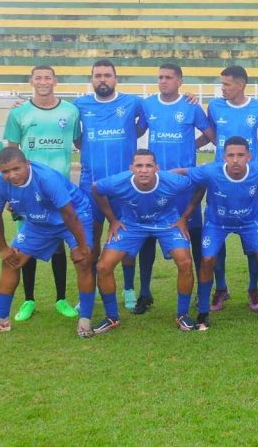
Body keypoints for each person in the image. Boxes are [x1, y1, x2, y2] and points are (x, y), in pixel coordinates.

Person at [0, 148, 95, 337]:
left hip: (74, 215)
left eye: (16, 169)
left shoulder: (46, 178)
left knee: (83, 261)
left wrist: (82, 247)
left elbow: (69, 215)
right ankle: (0, 320)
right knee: (10, 261)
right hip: (39, 221)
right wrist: (3, 248)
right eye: (5, 171)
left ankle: (85, 320)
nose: (11, 175)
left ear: (27, 163)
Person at [91, 150, 203, 333]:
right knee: (103, 266)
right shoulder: (120, 181)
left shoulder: (172, 181)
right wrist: (112, 220)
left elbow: (200, 185)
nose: (144, 170)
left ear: (156, 168)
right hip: (132, 225)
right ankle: (112, 317)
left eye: (149, 165)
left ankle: (182, 315)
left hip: (167, 223)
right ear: (131, 169)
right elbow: (96, 188)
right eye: (139, 166)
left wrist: (185, 217)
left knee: (185, 261)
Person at [3, 65, 81, 322]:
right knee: (27, 246)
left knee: (59, 245)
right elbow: (10, 154)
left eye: (48, 77)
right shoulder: (19, 113)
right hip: (26, 192)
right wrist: (9, 191)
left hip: (58, 191)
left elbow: (79, 142)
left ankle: (61, 299)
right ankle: (29, 300)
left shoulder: (71, 111)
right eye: (38, 78)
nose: (43, 82)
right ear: (31, 81)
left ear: (55, 81)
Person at [183, 136, 258, 329]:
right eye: (231, 155)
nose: (235, 159)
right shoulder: (211, 171)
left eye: (240, 155)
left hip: (250, 222)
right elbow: (183, 172)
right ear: (223, 157)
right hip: (217, 224)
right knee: (207, 260)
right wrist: (156, 176)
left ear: (249, 156)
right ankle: (203, 313)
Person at [137, 63, 209, 315]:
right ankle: (144, 293)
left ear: (180, 80)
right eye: (160, 77)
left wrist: (192, 146)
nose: (163, 81)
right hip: (154, 184)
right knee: (148, 236)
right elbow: (137, 130)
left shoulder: (191, 105)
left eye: (168, 77)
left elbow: (210, 133)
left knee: (194, 235)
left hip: (184, 184)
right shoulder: (147, 105)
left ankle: (202, 292)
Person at [203, 65, 258, 311]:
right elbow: (212, 133)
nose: (222, 88)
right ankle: (221, 288)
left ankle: (253, 288)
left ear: (240, 84)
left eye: (227, 84)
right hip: (220, 180)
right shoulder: (215, 106)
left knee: (253, 241)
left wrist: (252, 158)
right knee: (216, 238)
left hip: (248, 182)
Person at [73, 60, 146, 275]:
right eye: (98, 76)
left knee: (126, 236)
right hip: (90, 184)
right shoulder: (80, 104)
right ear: (92, 80)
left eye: (107, 75)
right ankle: (91, 286)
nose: (102, 79)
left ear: (116, 79)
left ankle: (129, 289)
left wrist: (188, 95)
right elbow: (77, 138)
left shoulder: (133, 102)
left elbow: (146, 122)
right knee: (91, 237)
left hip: (125, 185)